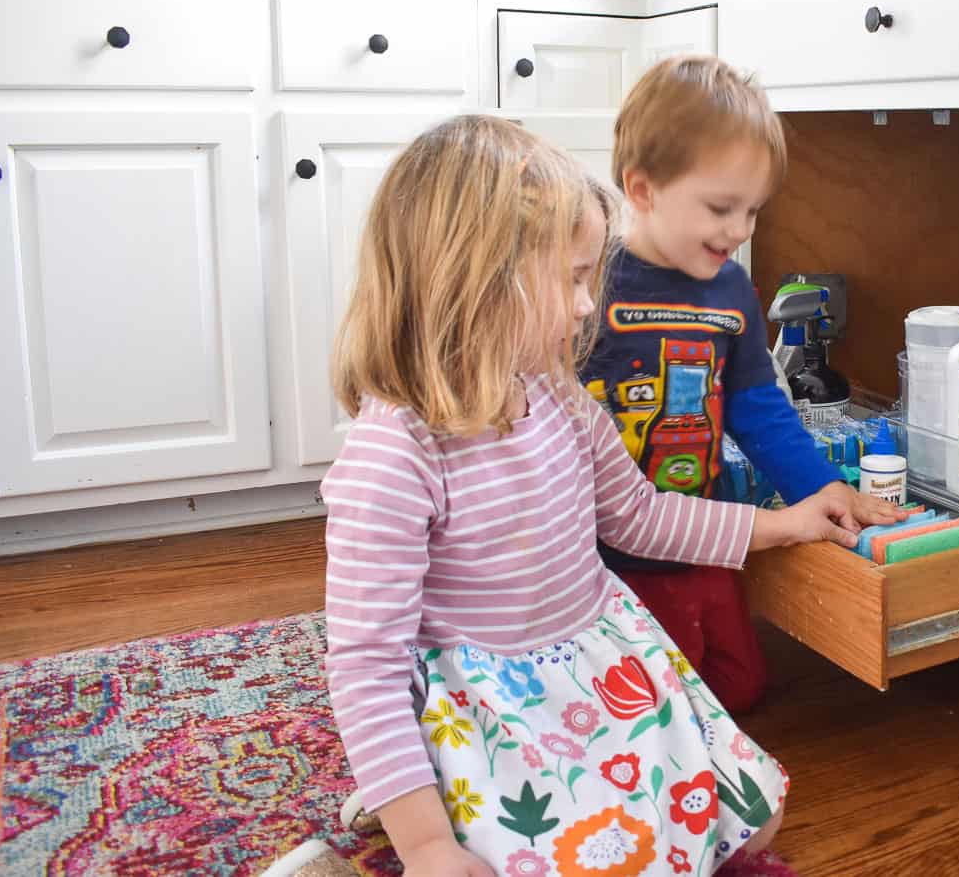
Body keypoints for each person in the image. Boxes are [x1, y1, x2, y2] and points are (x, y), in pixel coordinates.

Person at [273, 115, 857, 876]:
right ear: (476, 281)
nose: (588, 307)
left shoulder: (557, 396)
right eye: (573, 278)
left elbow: (640, 515)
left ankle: (433, 805)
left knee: (756, 817)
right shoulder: (394, 453)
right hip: (490, 703)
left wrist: (782, 525)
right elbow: (366, 665)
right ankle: (414, 811)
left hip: (597, 662)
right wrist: (427, 849)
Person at [581, 56, 905, 714]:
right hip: (602, 548)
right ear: (641, 190)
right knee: (649, 702)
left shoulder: (730, 288)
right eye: (722, 208)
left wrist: (822, 488)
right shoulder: (591, 282)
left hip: (706, 525)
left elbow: (758, 405)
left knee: (739, 683)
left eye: (753, 210)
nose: (742, 230)